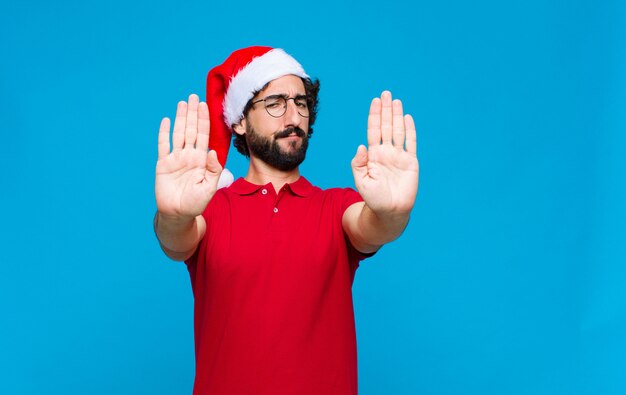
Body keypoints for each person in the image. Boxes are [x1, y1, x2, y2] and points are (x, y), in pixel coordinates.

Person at [154, 46, 419, 395]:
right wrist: (174, 214)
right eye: (275, 102)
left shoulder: (336, 207)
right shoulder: (211, 209)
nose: (292, 116)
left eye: (301, 103)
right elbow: (177, 240)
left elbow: (373, 227)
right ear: (240, 121)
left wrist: (392, 211)